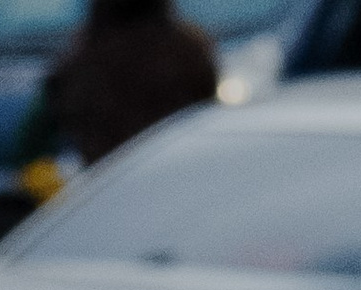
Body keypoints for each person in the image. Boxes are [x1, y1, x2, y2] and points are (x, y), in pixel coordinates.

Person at [21, 0, 217, 173]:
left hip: (108, 188)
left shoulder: (80, 60)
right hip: (177, 180)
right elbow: (211, 123)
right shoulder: (189, 52)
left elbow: (29, 143)